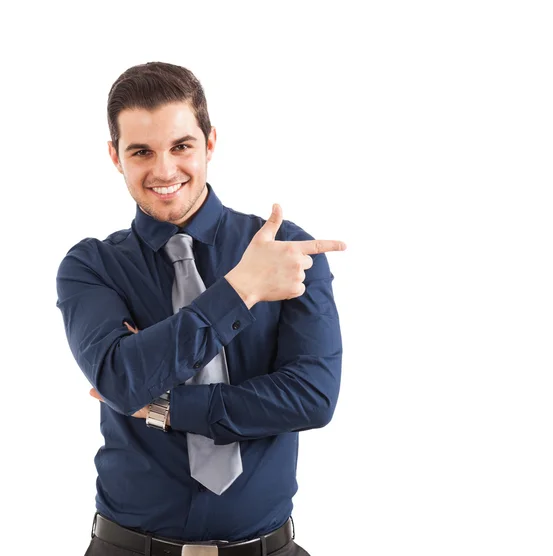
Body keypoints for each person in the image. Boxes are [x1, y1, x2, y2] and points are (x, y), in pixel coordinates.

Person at [55, 61, 345, 556]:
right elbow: (123, 381)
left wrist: (166, 409)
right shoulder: (92, 266)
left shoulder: (285, 252)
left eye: (181, 146)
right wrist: (240, 291)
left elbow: (311, 398)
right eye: (141, 151)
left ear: (210, 142)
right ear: (114, 156)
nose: (164, 170)